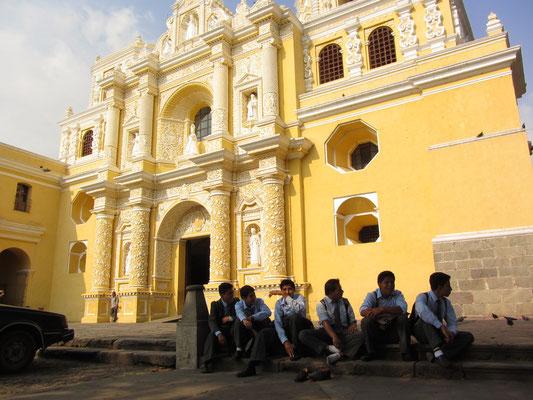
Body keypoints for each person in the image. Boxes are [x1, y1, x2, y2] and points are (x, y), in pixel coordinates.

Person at [412, 272, 474, 368]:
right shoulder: (422, 297)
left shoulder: (445, 302)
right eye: (448, 286)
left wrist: (452, 333)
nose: (451, 289)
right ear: (440, 288)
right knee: (425, 319)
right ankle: (437, 350)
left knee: (468, 336)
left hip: (438, 333)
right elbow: (423, 312)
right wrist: (441, 326)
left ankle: (439, 355)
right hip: (422, 332)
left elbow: (452, 321)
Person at [299, 279, 364, 365]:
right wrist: (334, 337)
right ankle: (329, 348)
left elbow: (352, 319)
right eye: (339, 290)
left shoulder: (345, 302)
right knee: (303, 334)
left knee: (362, 336)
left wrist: (353, 325)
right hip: (327, 332)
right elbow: (325, 323)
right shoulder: (322, 305)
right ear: (331, 292)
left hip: (343, 332)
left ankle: (340, 354)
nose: (342, 291)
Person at [359, 270, 414, 361]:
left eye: (392, 282)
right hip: (377, 332)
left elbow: (402, 309)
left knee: (402, 318)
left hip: (393, 332)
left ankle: (405, 352)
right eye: (386, 283)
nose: (390, 285)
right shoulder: (372, 295)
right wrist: (379, 313)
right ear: (379, 284)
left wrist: (382, 309)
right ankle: (370, 352)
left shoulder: (398, 294)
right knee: (366, 321)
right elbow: (362, 311)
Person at [235, 285, 275, 378]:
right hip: (248, 330)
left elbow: (267, 312)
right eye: (251, 296)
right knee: (238, 321)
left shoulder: (259, 301)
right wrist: (244, 320)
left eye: (254, 295)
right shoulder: (239, 304)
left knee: (264, 327)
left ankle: (251, 365)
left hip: (260, 327)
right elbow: (239, 313)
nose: (254, 298)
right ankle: (239, 348)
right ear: (244, 298)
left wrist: (253, 317)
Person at [200, 282, 239, 373]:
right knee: (211, 335)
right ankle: (206, 362)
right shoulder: (215, 305)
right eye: (229, 294)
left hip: (233, 329)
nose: (231, 296)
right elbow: (212, 320)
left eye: (232, 293)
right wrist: (218, 333)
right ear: (222, 294)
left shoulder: (236, 302)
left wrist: (230, 318)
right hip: (221, 329)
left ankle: (237, 349)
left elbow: (241, 315)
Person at [270, 279, 313, 360]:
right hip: (288, 327)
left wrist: (286, 297)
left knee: (294, 317)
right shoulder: (279, 303)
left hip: (300, 325)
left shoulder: (300, 298)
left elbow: (299, 309)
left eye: (290, 289)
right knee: (273, 324)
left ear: (294, 290)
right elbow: (278, 321)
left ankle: (296, 349)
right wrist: (284, 340)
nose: (287, 292)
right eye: (284, 290)